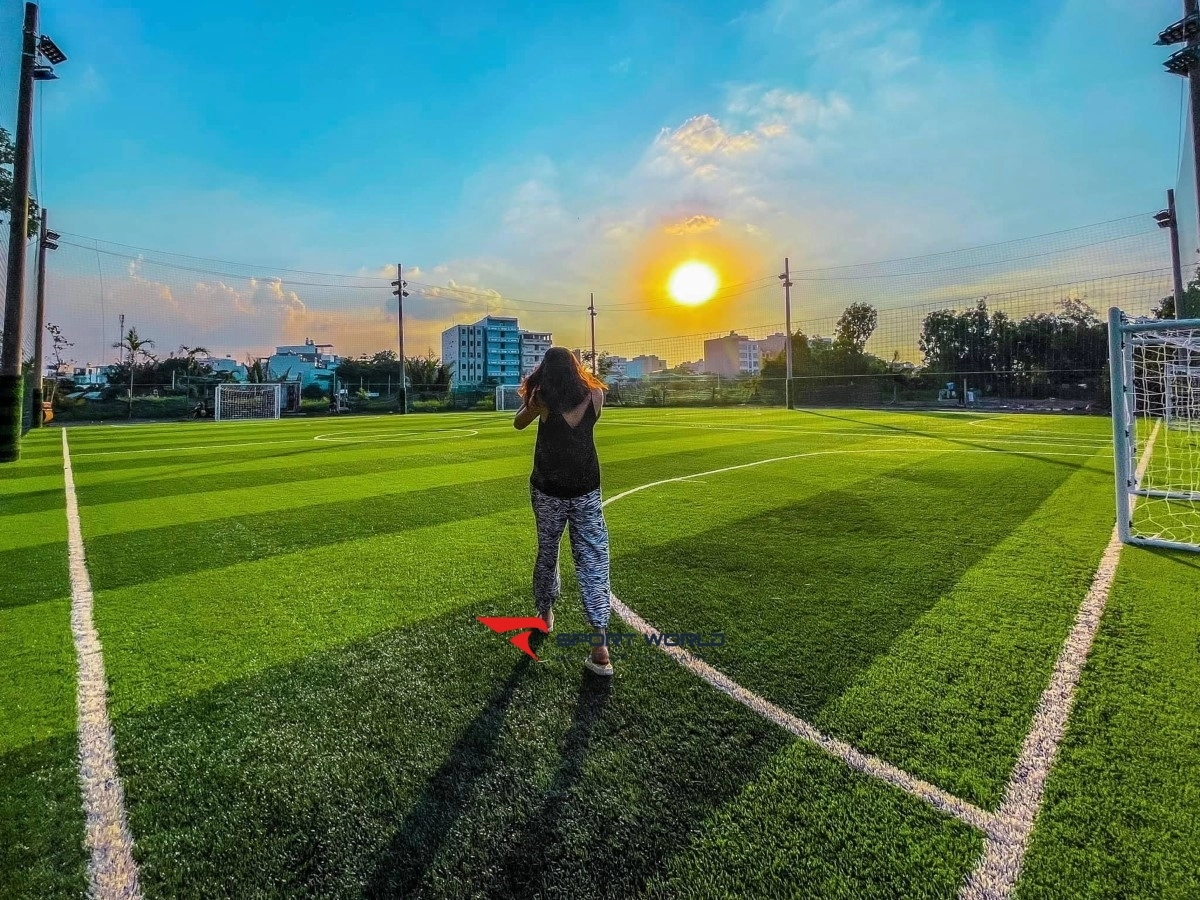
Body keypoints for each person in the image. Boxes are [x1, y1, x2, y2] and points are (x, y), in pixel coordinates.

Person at [514, 347, 614, 676]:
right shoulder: (596, 395)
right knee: (593, 560)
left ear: (546, 369)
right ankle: (600, 647)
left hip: (547, 489)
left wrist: (533, 402)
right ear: (575, 368)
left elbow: (518, 424)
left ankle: (544, 616)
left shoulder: (542, 400)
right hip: (586, 489)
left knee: (548, 552)